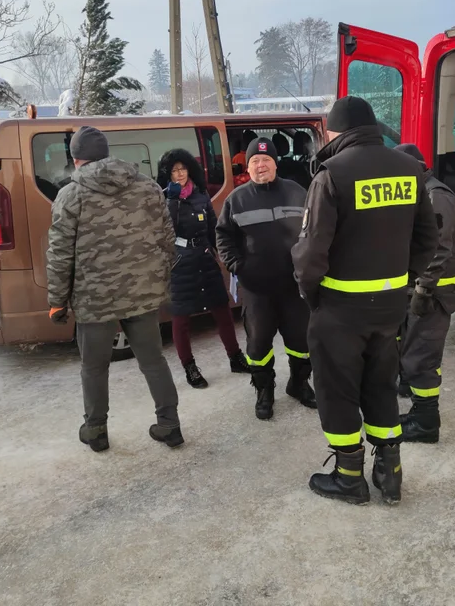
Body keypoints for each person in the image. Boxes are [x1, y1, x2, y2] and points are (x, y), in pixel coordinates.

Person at [292, 96, 439, 505]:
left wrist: (312, 296)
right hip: (391, 307)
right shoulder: (410, 169)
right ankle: (389, 473)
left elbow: (310, 254)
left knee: (337, 389)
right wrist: (401, 280)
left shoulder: (331, 174)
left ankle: (348, 478)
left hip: (339, 309)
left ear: (335, 132)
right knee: (380, 384)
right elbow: (428, 239)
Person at [46, 125, 184, 452]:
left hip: (95, 300)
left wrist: (57, 301)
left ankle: (96, 431)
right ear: (106, 153)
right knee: (153, 361)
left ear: (76, 158)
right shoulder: (149, 187)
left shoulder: (70, 195)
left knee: (94, 367)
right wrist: (157, 279)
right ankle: (170, 425)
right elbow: (168, 241)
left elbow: (60, 253)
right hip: (143, 295)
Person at [216, 136, 316, 421]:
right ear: (248, 167)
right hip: (257, 289)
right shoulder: (237, 199)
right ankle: (264, 391)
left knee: (301, 342)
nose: (261, 166)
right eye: (255, 161)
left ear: (275, 164)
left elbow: (314, 230)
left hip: (294, 287)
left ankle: (298, 384)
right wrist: (237, 265)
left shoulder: (297, 192)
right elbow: (224, 236)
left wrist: (310, 265)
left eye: (266, 160)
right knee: (258, 346)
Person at [157, 149, 250, 389]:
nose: (179, 174)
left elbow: (213, 228)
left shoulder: (201, 195)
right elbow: (166, 231)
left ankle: (235, 357)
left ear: (190, 169)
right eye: (174, 170)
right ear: (168, 174)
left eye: (182, 168)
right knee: (181, 318)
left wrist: (221, 255)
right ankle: (189, 366)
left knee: (222, 309)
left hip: (205, 258)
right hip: (180, 263)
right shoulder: (164, 198)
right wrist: (173, 201)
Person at [394, 143, 455, 444]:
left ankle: (426, 424)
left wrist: (422, 287)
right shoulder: (420, 192)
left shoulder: (436, 195)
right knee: (412, 354)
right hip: (420, 289)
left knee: (422, 358)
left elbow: (439, 247)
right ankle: (420, 413)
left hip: (433, 293)